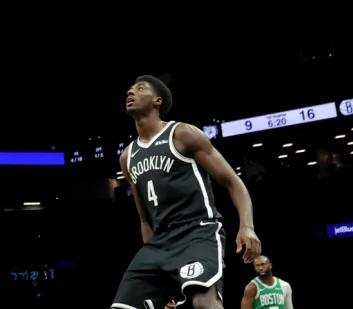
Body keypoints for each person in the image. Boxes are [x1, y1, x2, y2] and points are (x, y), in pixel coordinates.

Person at [112, 76, 262, 309]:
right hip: (158, 243)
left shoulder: (182, 133)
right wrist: (157, 269)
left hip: (197, 231)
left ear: (157, 100)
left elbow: (233, 182)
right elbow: (145, 218)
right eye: (129, 90)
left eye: (140, 89)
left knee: (204, 303)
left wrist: (247, 226)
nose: (130, 93)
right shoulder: (127, 157)